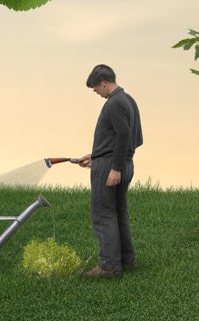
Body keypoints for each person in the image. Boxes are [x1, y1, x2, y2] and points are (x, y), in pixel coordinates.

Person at [78, 64, 143, 278]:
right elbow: (135, 139)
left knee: (103, 214)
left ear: (104, 82)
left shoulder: (114, 103)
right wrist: (97, 155)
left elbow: (123, 135)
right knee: (118, 212)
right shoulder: (129, 100)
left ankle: (109, 267)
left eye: (96, 88)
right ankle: (125, 260)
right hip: (123, 163)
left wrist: (112, 166)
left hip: (112, 167)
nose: (96, 92)